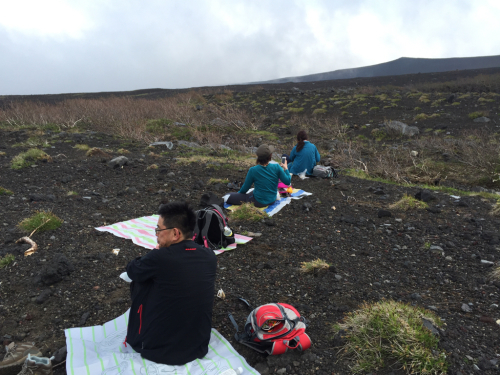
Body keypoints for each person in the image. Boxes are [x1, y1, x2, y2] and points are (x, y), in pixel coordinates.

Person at [125, 201, 217, 366]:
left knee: (141, 281)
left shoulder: (159, 258)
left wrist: (156, 252)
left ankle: (138, 333)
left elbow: (132, 269)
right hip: (198, 347)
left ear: (175, 233)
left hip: (158, 350)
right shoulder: (210, 256)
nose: (156, 235)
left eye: (159, 230)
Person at [226, 144, 291, 207]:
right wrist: (286, 168)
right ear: (270, 156)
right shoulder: (277, 167)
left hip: (258, 201)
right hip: (272, 200)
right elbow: (287, 181)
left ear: (258, 157)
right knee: (252, 192)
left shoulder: (253, 170)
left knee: (229, 196)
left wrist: (238, 194)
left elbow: (245, 188)